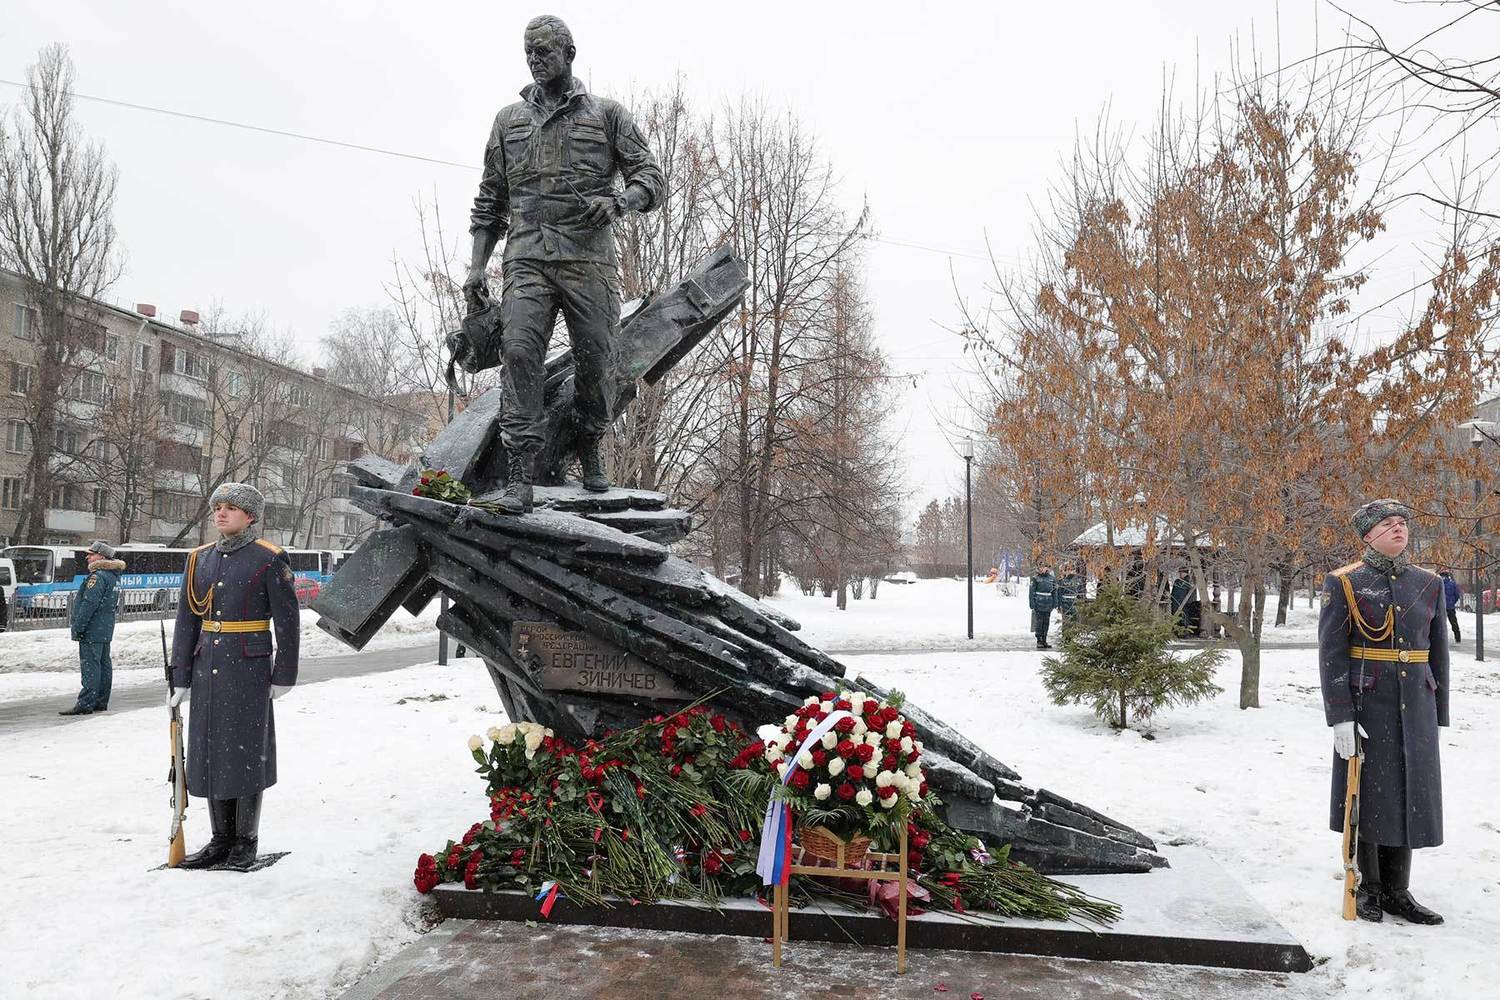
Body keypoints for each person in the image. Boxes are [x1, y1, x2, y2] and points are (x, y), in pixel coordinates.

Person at [463, 14, 665, 514]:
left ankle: (590, 439)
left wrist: (620, 202)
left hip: (588, 261)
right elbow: (489, 201)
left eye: (544, 51)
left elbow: (652, 178)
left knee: (597, 358)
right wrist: (475, 268)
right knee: (518, 352)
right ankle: (520, 474)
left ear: (569, 53)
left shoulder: (608, 115)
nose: (535, 60)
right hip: (526, 259)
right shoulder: (508, 121)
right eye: (529, 52)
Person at [1319, 498, 1448, 924]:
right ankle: (1369, 886)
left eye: (1402, 523)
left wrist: (1438, 712)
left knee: (1410, 793)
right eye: (1388, 524)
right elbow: (1332, 654)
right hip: (1367, 703)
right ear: (1368, 535)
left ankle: (1398, 890)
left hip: (1417, 707)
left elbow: (1437, 652)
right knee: (1370, 793)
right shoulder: (1345, 583)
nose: (1399, 529)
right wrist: (1340, 716)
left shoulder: (1428, 583)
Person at [170, 483, 300, 871]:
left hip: (249, 668)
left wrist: (285, 673)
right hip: (208, 666)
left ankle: (245, 840)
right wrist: (180, 677)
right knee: (209, 752)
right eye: (217, 507)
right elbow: (186, 621)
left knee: (244, 754)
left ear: (250, 516)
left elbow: (288, 623)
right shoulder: (199, 560)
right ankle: (220, 839)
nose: (221, 514)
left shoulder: (268, 559)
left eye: (230, 508)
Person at [59, 541, 124, 716]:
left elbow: (89, 604)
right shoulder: (113, 576)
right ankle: (101, 701)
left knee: (91, 666)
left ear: (101, 557)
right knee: (103, 665)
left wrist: (78, 627)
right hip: (105, 628)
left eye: (91, 554)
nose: (87, 557)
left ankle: (86, 703)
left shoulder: (97, 577)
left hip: (92, 629)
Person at [1029, 564, 1058, 649]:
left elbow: (1054, 591)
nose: (1044, 568)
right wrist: (1032, 604)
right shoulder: (1035, 578)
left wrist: (1055, 603)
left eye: (1046, 567)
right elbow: (1031, 592)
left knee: (1046, 623)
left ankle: (1044, 639)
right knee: (1039, 622)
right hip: (1039, 603)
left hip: (1048, 603)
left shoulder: (1051, 578)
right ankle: (1039, 640)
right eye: (1041, 567)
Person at [1438, 568, 1462, 643]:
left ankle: (1440, 640)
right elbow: (1457, 595)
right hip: (1450, 607)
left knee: (1440, 624)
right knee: (1454, 623)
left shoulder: (1438, 583)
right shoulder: (1452, 584)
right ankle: (1457, 638)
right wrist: (1452, 602)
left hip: (1440, 608)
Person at [1169, 568, 1194, 636]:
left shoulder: (1188, 582)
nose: (1180, 574)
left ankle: (1184, 632)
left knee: (1183, 617)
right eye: (1179, 572)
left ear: (1185, 573)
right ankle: (1176, 632)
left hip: (1184, 603)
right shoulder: (1177, 581)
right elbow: (1173, 592)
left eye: (1182, 572)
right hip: (1175, 602)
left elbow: (1190, 594)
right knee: (1175, 616)